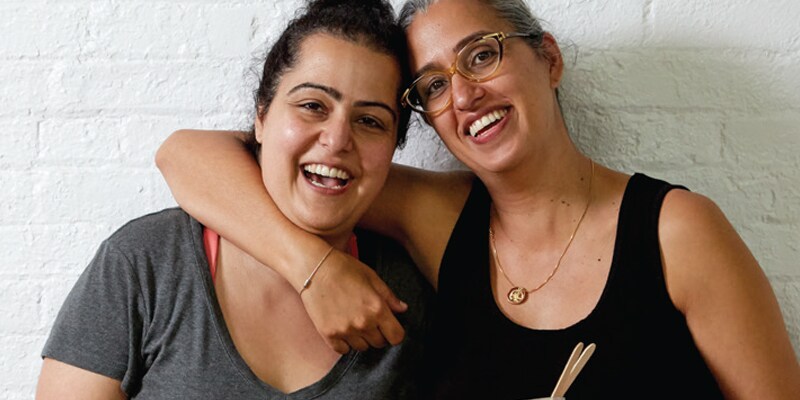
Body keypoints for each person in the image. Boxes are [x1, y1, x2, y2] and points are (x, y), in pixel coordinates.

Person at [156, 0, 800, 398]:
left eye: (482, 56)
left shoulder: (676, 231)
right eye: (433, 86)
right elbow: (186, 154)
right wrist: (313, 269)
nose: (464, 96)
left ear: (549, 59)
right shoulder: (435, 218)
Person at [35, 0, 434, 398]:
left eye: (370, 121)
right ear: (261, 117)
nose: (337, 139)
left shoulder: (406, 293)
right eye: (312, 106)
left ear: (393, 147)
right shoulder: (145, 262)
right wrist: (315, 269)